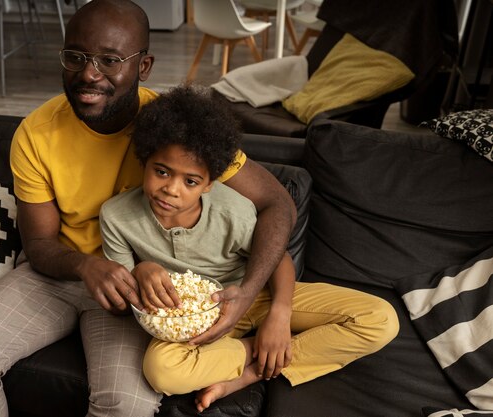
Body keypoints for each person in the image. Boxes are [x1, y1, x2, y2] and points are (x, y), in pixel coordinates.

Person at [0, 1, 296, 416]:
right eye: (76, 57)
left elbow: (277, 203)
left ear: (143, 67)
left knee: (125, 406)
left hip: (144, 291)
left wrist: (250, 293)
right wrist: (86, 266)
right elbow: (38, 242)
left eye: (110, 60)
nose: (89, 73)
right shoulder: (36, 133)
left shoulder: (177, 129)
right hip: (60, 275)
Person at [99, 85, 400, 412]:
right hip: (195, 317)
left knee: (380, 319)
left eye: (190, 181)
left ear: (210, 183)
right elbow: (124, 293)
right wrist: (140, 270)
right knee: (161, 370)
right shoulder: (116, 217)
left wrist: (279, 316)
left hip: (258, 292)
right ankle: (259, 354)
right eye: (161, 172)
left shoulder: (232, 211)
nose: (171, 190)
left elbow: (277, 259)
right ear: (144, 160)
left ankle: (252, 372)